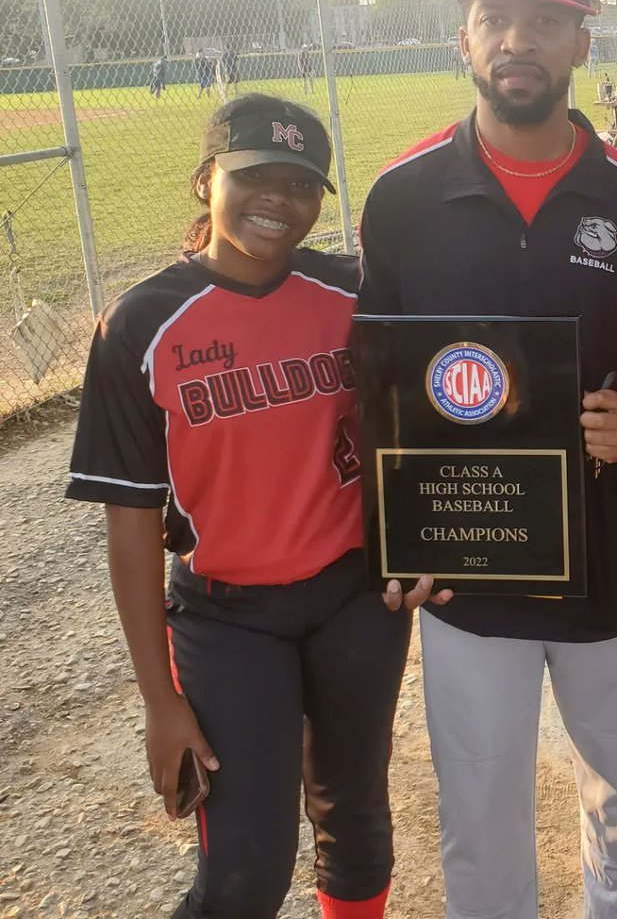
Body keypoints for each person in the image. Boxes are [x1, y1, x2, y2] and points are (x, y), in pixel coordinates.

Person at [359, 0, 617, 919]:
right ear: (464, 35)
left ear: (582, 40)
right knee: (479, 803)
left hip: (609, 563)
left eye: (545, 21)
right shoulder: (401, 197)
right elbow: (381, 391)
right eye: (496, 17)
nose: (518, 42)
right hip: (467, 567)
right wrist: (396, 535)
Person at [65, 94, 421, 919]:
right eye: (255, 175)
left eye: (301, 185)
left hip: (353, 597)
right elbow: (130, 524)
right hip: (227, 618)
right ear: (205, 181)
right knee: (248, 869)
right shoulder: (143, 323)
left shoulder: (352, 293)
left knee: (355, 815)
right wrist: (160, 700)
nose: (279, 201)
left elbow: (420, 423)